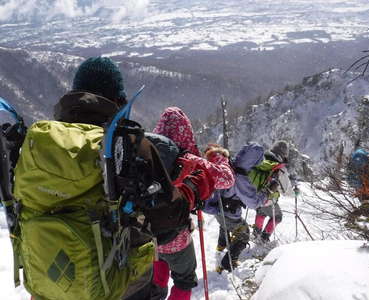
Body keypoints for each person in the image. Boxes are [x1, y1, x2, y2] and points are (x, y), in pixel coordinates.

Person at [24, 57, 215, 300]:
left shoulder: (40, 143)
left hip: (51, 283)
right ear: (118, 99)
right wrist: (192, 189)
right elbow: (168, 223)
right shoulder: (130, 145)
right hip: (118, 286)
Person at [150, 107, 234, 299]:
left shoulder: (143, 154)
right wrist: (217, 156)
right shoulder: (189, 160)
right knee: (184, 278)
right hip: (176, 235)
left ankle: (156, 293)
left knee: (158, 264)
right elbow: (226, 179)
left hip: (147, 234)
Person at [203, 142, 266, 273]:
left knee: (225, 225)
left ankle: (221, 246)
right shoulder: (240, 176)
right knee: (244, 235)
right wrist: (264, 197)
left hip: (217, 208)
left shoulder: (229, 164)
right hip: (228, 213)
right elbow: (253, 202)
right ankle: (226, 266)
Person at [250, 140, 292, 243]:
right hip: (267, 198)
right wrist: (295, 193)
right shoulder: (279, 168)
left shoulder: (261, 160)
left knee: (261, 212)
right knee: (278, 217)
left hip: (252, 196)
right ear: (284, 154)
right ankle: (264, 238)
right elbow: (286, 191)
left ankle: (256, 234)